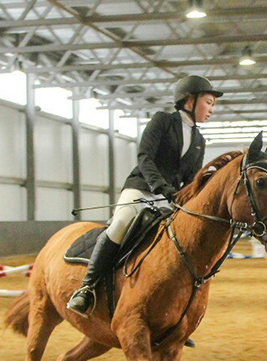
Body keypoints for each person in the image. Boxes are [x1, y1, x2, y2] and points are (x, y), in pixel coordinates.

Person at [66, 75, 222, 319]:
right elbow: (145, 157)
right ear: (189, 100)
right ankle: (87, 288)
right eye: (209, 102)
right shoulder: (162, 121)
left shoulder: (199, 141)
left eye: (213, 105)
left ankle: (174, 314)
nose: (212, 109)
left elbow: (190, 180)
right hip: (141, 189)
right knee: (119, 225)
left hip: (168, 199)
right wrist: (161, 187)